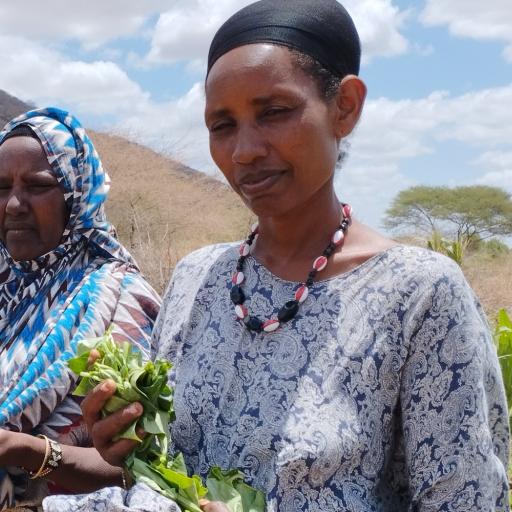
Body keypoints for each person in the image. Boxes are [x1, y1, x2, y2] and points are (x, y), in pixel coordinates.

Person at [82, 0, 509, 510]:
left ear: (345, 106)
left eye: (274, 112)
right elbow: (173, 473)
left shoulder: (419, 294)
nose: (244, 150)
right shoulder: (197, 277)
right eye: (222, 125)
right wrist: (130, 450)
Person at [0, 107, 161, 511]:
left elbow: (143, 469)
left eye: (37, 186)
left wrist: (22, 449)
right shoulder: (7, 291)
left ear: (76, 196)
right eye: (1, 186)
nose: (14, 204)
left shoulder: (120, 304)